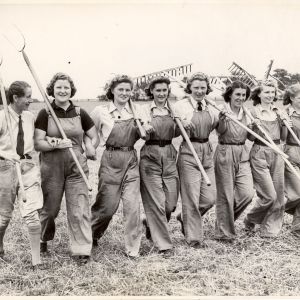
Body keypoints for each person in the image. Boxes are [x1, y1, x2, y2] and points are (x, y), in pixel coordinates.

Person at [34, 72, 99, 264]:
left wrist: (89, 146)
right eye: (59, 87)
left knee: (79, 207)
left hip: (77, 165)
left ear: (71, 90)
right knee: (50, 209)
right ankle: (43, 237)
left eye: (66, 87)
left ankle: (81, 249)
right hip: (51, 166)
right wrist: (54, 144)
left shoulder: (80, 113)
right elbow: (38, 143)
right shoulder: (45, 113)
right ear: (52, 91)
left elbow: (94, 136)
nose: (63, 91)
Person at [90, 74, 142, 258]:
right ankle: (91, 235)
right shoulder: (100, 111)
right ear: (112, 90)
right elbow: (89, 134)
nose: (124, 93)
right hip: (110, 159)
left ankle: (132, 248)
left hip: (131, 158)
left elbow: (145, 134)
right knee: (107, 207)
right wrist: (88, 149)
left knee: (132, 206)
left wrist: (147, 130)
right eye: (120, 89)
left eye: (128, 90)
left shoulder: (137, 110)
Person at [0, 81, 43, 267]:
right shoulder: (1, 117)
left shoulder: (29, 117)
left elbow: (38, 140)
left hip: (27, 167)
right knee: (3, 217)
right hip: (5, 168)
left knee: (32, 214)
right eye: (27, 96)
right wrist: (5, 155)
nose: (30, 100)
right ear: (15, 97)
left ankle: (36, 261)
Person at [174, 72, 218, 248]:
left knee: (209, 198)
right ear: (189, 88)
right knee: (191, 197)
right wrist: (181, 123)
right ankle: (194, 239)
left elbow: (216, 126)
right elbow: (173, 130)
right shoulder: (180, 106)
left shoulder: (212, 106)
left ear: (207, 88)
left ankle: (184, 217)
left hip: (206, 150)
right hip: (188, 151)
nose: (200, 91)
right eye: (196, 87)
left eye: (203, 88)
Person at [140, 76, 179, 256]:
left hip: (170, 154)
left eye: (164, 90)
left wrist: (184, 123)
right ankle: (164, 244)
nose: (161, 93)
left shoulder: (174, 110)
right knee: (157, 202)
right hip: (150, 154)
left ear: (168, 92)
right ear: (152, 92)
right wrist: (145, 128)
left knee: (170, 204)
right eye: (158, 90)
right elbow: (140, 129)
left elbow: (179, 131)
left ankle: (150, 224)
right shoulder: (143, 110)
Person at [244, 80, 288, 237]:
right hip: (259, 152)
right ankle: (251, 218)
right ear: (259, 94)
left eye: (272, 92)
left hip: (278, 151)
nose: (270, 95)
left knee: (279, 195)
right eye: (267, 92)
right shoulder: (252, 112)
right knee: (269, 195)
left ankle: (269, 230)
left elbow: (283, 137)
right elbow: (249, 138)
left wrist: (284, 124)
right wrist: (252, 126)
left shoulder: (278, 112)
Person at [214, 81, 255, 241]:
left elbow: (251, 137)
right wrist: (223, 120)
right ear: (230, 94)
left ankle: (224, 222)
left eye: (244, 95)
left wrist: (256, 127)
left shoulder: (247, 113)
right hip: (225, 151)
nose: (241, 98)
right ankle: (224, 233)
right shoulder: (222, 110)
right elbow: (220, 132)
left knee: (247, 194)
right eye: (237, 94)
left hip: (242, 153)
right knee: (225, 194)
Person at [282, 83, 300, 237]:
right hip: (291, 153)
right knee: (296, 194)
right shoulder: (284, 113)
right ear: (292, 98)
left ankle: (297, 227)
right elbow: (281, 137)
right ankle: (275, 209)